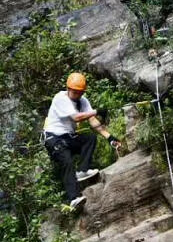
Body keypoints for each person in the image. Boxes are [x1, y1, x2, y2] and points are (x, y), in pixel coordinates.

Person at [42, 72, 122, 211]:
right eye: (75, 92)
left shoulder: (82, 101)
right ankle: (74, 198)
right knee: (66, 161)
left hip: (67, 137)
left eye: (80, 92)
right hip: (53, 138)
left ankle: (83, 170)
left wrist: (109, 137)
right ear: (68, 89)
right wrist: (97, 111)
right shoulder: (60, 98)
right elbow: (77, 118)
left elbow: (91, 120)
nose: (77, 95)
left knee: (89, 138)